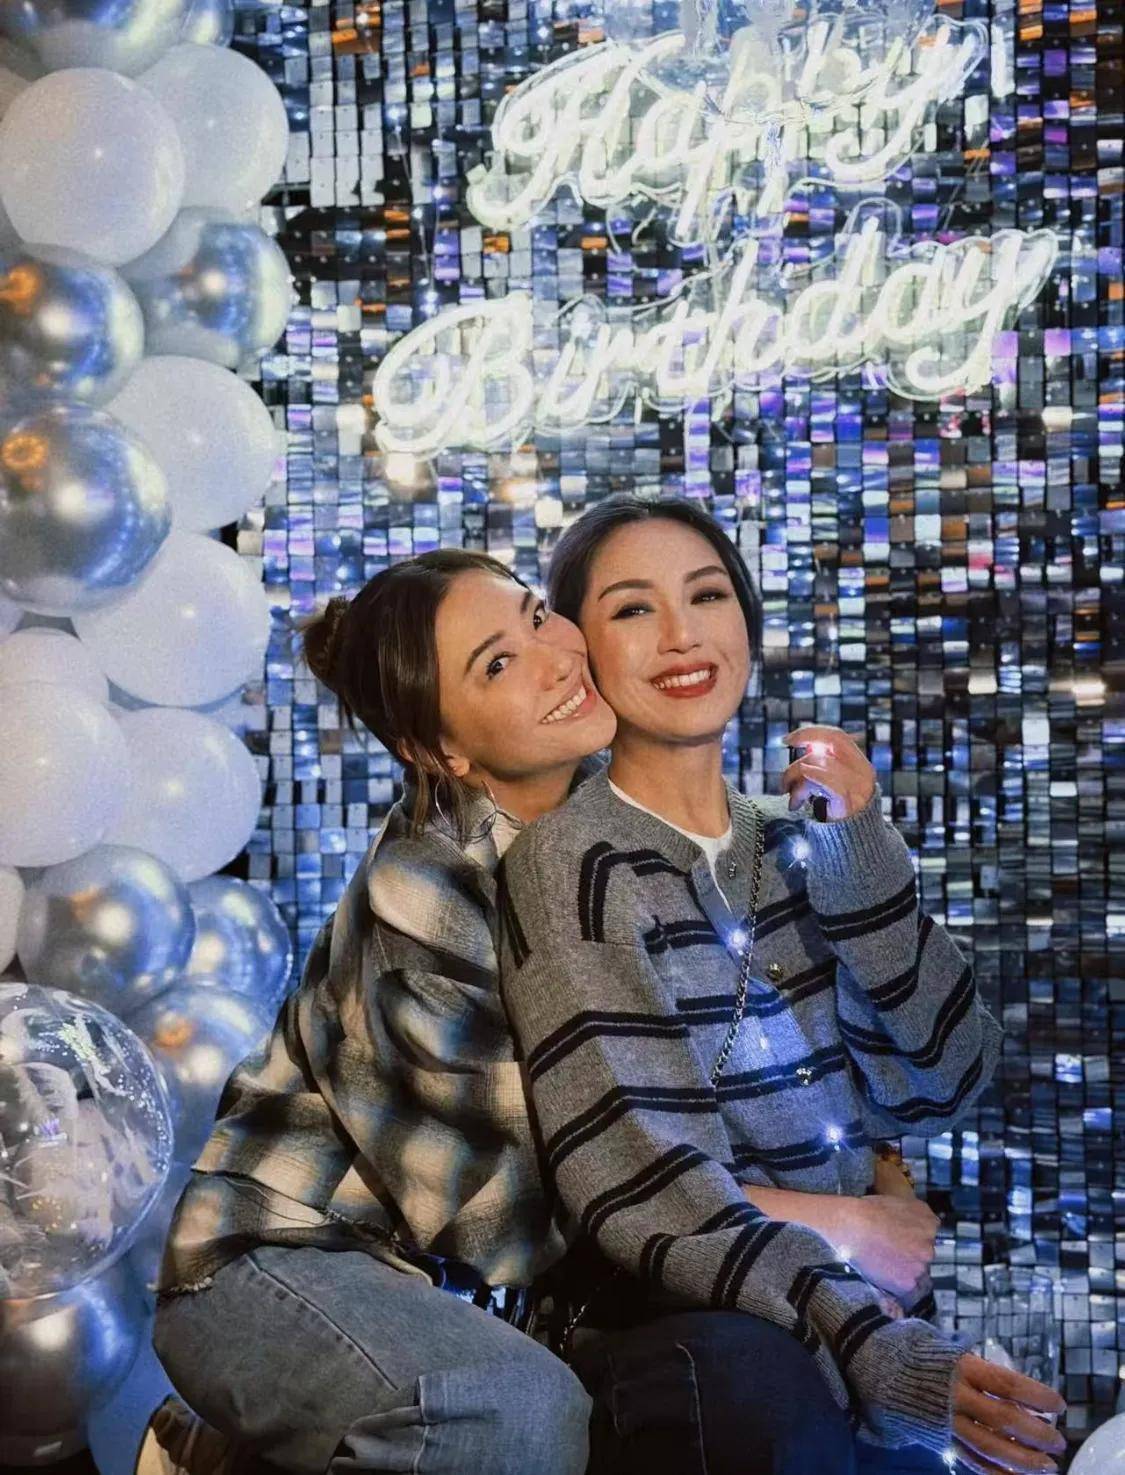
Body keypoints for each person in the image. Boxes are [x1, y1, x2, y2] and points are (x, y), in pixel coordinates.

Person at [496, 496, 1067, 1475]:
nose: (681, 635)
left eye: (707, 595)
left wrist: (860, 859)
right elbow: (645, 1182)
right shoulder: (574, 864)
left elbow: (945, 1078)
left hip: (873, 1334)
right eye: (632, 608)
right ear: (582, 649)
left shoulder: (801, 837)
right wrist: (858, 1259)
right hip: (722, 1355)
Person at [152, 549, 618, 1475]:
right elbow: (498, 1224)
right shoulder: (425, 895)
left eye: (535, 615)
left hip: (415, 1283)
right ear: (440, 751)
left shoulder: (609, 819)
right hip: (269, 1262)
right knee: (514, 1407)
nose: (556, 658)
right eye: (497, 662)